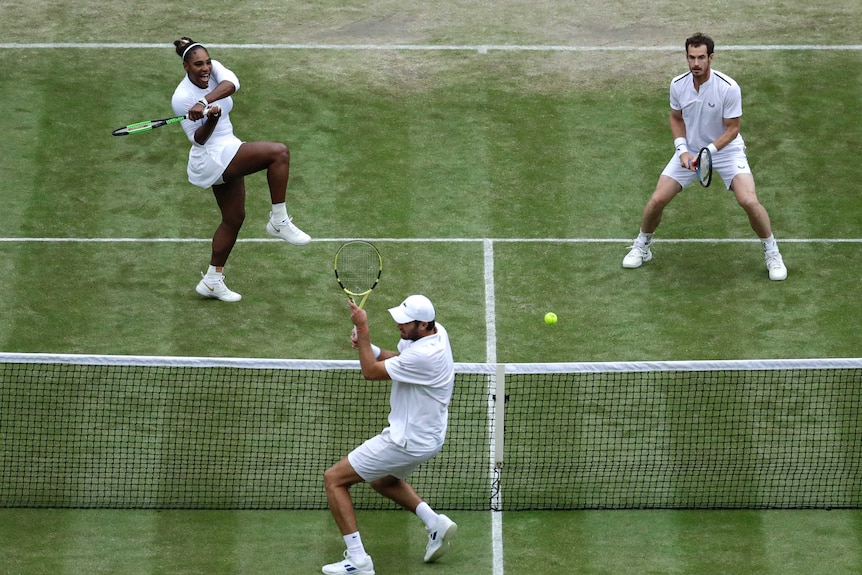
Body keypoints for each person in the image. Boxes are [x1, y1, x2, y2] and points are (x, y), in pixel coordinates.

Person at [622, 33, 787, 281]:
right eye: (691, 57)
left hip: (726, 151)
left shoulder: (728, 88)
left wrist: (709, 151)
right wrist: (683, 151)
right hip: (691, 151)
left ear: (710, 57)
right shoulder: (678, 84)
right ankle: (642, 246)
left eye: (701, 57)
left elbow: (733, 128)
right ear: (687, 57)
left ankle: (772, 253)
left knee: (749, 201)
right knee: (657, 199)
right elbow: (676, 118)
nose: (696, 63)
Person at [322, 295, 458, 575]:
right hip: (429, 438)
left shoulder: (425, 355)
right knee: (383, 480)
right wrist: (369, 347)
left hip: (404, 440)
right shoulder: (436, 333)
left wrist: (363, 330)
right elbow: (400, 360)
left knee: (334, 479)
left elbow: (370, 373)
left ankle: (358, 561)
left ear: (422, 324)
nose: (398, 325)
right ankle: (434, 523)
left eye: (404, 323)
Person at [171, 37, 311, 303]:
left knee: (233, 219)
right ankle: (279, 221)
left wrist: (205, 102)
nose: (206, 68)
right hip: (212, 155)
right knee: (278, 153)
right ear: (186, 68)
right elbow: (199, 139)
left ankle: (212, 280)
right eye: (198, 64)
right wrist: (210, 119)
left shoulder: (214, 74)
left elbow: (232, 84)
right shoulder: (180, 98)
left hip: (229, 146)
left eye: (208, 62)